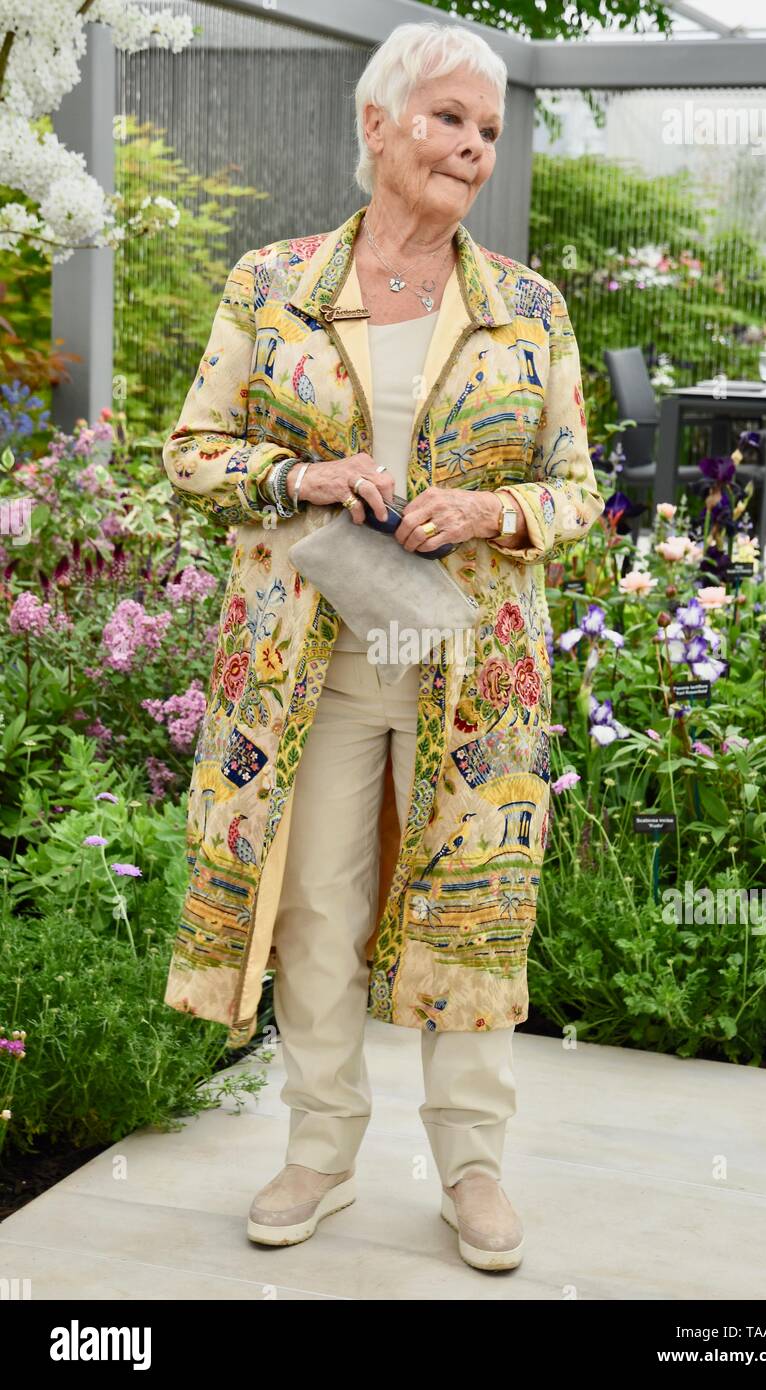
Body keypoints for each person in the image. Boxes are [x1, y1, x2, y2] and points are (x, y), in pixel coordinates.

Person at [161, 20, 605, 1273]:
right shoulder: (271, 284)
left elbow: (576, 490)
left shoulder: (528, 308)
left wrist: (491, 510)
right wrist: (300, 469)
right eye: (447, 119)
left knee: (473, 911)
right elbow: (190, 451)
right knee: (315, 907)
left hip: (476, 674)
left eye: (485, 131)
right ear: (377, 125)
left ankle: (471, 1168)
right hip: (310, 663)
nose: (470, 147)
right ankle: (319, 1149)